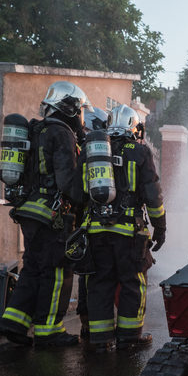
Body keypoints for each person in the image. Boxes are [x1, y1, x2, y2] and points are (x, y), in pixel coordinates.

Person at [0, 80, 92, 347]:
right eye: (80, 110)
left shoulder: (36, 129)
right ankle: (49, 331)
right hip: (53, 215)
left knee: (33, 268)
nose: (81, 116)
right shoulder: (61, 133)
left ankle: (14, 322)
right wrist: (84, 198)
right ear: (70, 107)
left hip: (29, 211)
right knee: (57, 271)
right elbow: (66, 181)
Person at [80, 104, 166, 351]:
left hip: (95, 230)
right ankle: (129, 336)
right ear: (134, 127)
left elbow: (77, 191)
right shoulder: (140, 152)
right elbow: (153, 194)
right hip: (129, 232)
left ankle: (99, 339)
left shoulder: (92, 150)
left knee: (99, 283)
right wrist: (160, 227)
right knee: (132, 282)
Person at [75, 107, 110, 342]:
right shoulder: (100, 152)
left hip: (85, 224)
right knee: (100, 277)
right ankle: (100, 329)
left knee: (87, 276)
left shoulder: (82, 152)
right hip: (102, 225)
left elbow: (77, 190)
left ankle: (87, 326)